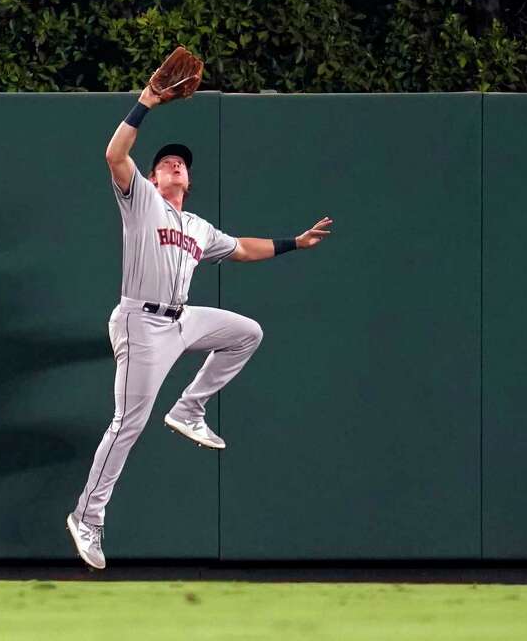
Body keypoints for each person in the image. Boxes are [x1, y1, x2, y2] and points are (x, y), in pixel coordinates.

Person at [65, 80, 333, 570]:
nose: (174, 165)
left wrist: (295, 241)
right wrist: (146, 102)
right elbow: (113, 153)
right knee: (128, 425)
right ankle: (87, 517)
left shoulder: (198, 228)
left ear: (188, 180)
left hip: (181, 320)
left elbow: (243, 248)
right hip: (139, 323)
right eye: (166, 162)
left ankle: (188, 410)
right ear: (152, 176)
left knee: (246, 332)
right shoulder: (140, 198)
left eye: (181, 163)